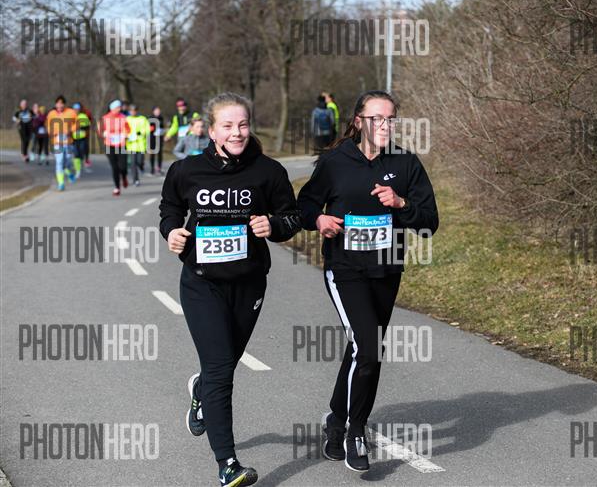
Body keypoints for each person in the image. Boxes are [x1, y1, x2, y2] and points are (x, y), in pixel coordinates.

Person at [159, 92, 300, 487]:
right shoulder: (186, 170)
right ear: (211, 130)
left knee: (224, 364)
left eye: (242, 125)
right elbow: (169, 208)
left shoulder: (268, 171)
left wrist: (274, 225)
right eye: (227, 125)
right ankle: (228, 464)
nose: (236, 132)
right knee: (222, 370)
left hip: (249, 283)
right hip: (201, 283)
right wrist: (171, 231)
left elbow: (292, 217)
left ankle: (201, 389)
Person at [297, 90, 439, 472]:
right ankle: (355, 431)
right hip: (344, 270)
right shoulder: (334, 162)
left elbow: (430, 222)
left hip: (386, 270)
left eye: (390, 119)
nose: (385, 125)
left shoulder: (405, 163)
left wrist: (401, 204)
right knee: (370, 347)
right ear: (359, 121)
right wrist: (319, 220)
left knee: (363, 348)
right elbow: (305, 205)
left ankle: (335, 420)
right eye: (377, 118)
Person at [45, 95, 78, 191]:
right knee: (59, 162)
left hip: (68, 142)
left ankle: (69, 172)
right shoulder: (51, 114)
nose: (59, 105)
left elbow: (77, 123)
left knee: (67, 161)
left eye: (61, 103)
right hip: (57, 142)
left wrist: (70, 130)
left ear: (64, 104)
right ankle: (61, 183)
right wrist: (52, 132)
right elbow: (48, 125)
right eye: (58, 103)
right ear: (55, 104)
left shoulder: (71, 112)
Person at [99, 100, 130, 196]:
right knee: (115, 167)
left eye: (120, 107)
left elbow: (128, 129)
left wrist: (126, 134)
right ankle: (117, 187)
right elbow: (100, 130)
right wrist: (103, 133)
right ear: (112, 108)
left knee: (123, 166)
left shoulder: (123, 118)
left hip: (121, 145)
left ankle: (124, 177)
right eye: (117, 107)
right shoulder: (105, 118)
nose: (119, 109)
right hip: (110, 146)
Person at [126, 104, 150, 186]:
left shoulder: (142, 119)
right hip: (131, 145)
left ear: (137, 111)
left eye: (134, 110)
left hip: (141, 145)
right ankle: (135, 180)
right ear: (129, 111)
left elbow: (147, 129)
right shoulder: (127, 119)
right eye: (131, 111)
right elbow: (124, 129)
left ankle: (141, 166)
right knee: (133, 163)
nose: (133, 112)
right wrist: (127, 135)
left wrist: (140, 132)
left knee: (139, 162)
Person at [71, 102, 91, 178]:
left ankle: (82, 161)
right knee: (76, 154)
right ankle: (78, 170)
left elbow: (87, 126)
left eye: (77, 109)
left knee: (81, 152)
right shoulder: (71, 116)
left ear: (79, 109)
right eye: (75, 109)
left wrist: (81, 126)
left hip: (82, 138)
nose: (76, 110)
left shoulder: (83, 116)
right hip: (74, 139)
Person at [148, 106, 165, 175]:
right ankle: (152, 168)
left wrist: (162, 131)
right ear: (153, 111)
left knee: (160, 153)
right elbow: (148, 128)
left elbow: (163, 127)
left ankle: (159, 168)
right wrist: (153, 129)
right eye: (156, 111)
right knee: (152, 154)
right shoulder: (150, 118)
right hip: (152, 138)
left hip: (159, 138)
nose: (158, 112)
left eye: (159, 111)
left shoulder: (161, 118)